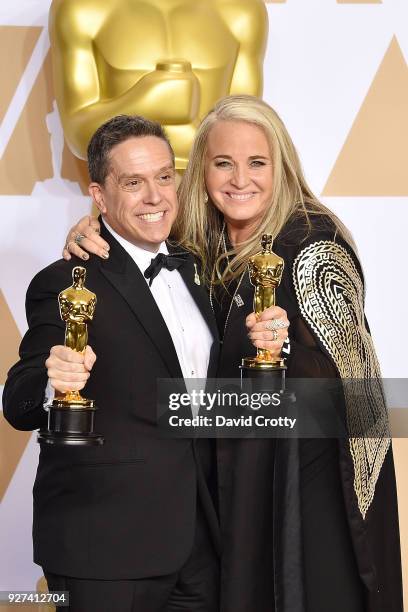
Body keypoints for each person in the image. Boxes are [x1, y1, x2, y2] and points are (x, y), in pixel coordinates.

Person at [65, 96, 403, 612]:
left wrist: (275, 358)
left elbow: (355, 404)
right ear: (201, 170)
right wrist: (93, 226)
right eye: (223, 162)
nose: (239, 179)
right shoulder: (200, 241)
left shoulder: (316, 249)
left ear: (281, 166)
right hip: (225, 497)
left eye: (257, 163)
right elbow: (137, 246)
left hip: (304, 499)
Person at [4, 114, 286, 612]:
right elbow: (19, 399)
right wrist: (54, 382)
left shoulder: (198, 266)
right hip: (106, 551)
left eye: (163, 176)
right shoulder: (68, 281)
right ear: (99, 195)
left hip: (201, 545)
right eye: (133, 183)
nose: (155, 196)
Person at [49, 0, 267, 167]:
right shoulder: (82, 9)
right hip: (125, 210)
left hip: (212, 212)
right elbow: (78, 137)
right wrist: (145, 101)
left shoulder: (242, 10)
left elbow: (244, 138)